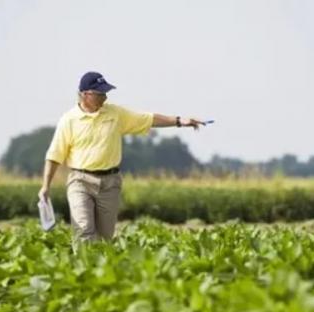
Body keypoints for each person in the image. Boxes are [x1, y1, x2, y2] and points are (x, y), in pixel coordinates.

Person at [39, 71, 205, 241]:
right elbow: (54, 155)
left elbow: (148, 119)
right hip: (80, 181)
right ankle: (84, 265)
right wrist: (46, 186)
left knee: (105, 236)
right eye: (100, 94)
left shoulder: (115, 114)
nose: (104, 98)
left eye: (105, 93)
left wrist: (178, 121)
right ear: (84, 95)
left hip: (110, 183)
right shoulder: (69, 120)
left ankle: (100, 266)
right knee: (84, 230)